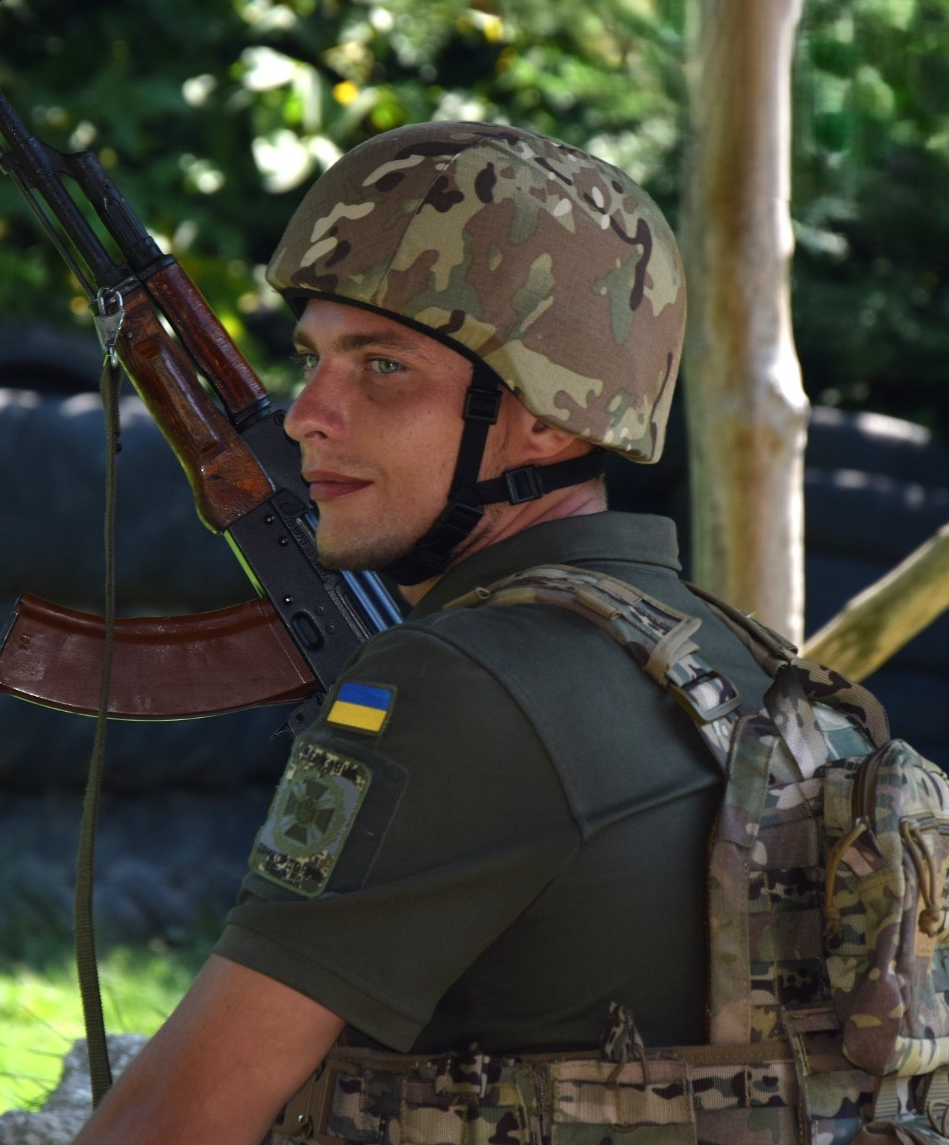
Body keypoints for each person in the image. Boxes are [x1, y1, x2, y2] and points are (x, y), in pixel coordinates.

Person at [73, 121, 774, 1144]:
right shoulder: (741, 656)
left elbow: (171, 1124)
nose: (308, 415)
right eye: (311, 360)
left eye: (382, 367)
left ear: (549, 419)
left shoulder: (459, 686)